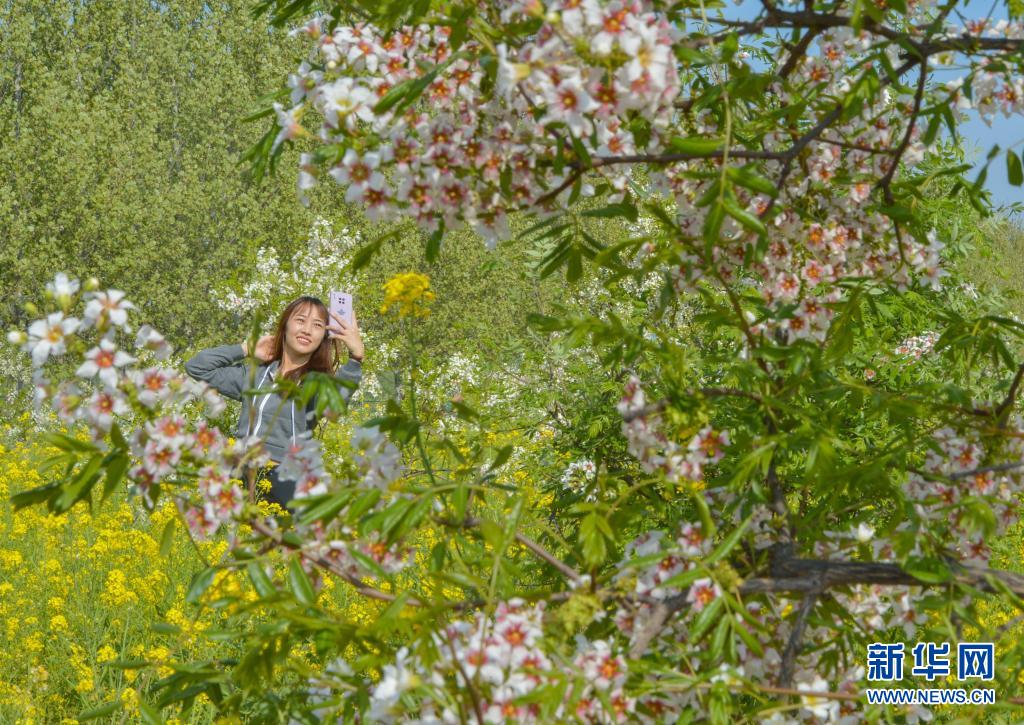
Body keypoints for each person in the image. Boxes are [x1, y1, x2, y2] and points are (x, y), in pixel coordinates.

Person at [184, 295, 364, 512]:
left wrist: (355, 359)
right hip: (238, 474)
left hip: (285, 482)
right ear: (285, 326)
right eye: (300, 320)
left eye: (317, 325)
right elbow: (197, 367)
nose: (307, 330)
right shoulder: (255, 376)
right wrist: (245, 348)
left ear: (323, 337)